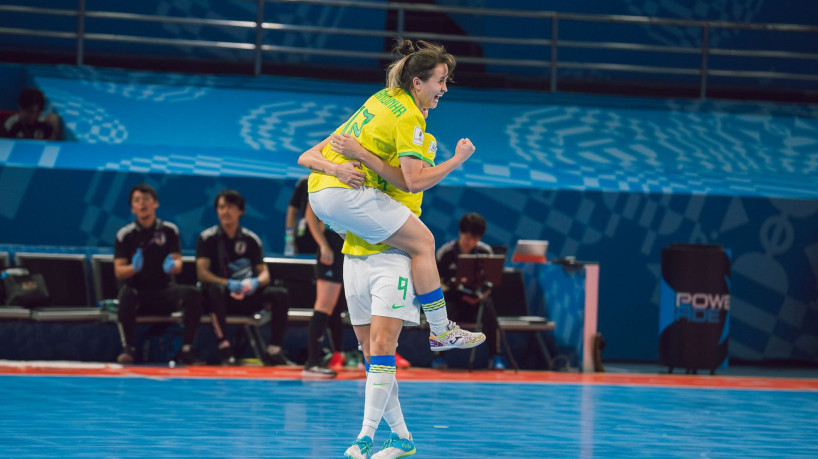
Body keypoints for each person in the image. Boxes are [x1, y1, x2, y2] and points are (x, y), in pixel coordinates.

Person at [299, 39, 484, 354]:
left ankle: (434, 334)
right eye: (441, 80)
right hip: (346, 196)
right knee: (423, 243)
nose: (445, 88)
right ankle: (441, 329)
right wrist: (457, 160)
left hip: (321, 193)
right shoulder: (409, 118)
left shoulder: (382, 98)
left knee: (373, 347)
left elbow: (306, 156)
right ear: (417, 83)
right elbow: (413, 182)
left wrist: (339, 166)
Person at [302, 122, 461, 457]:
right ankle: (402, 437)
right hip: (354, 256)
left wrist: (456, 159)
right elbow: (307, 159)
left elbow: (411, 180)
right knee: (369, 353)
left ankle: (365, 437)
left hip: (392, 258)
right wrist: (337, 167)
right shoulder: (364, 137)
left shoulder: (414, 145)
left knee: (383, 345)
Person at [196, 189, 294, 366]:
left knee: (281, 294)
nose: (225, 211)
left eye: (230, 207)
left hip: (246, 294)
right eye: (221, 207)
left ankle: (274, 350)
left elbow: (264, 274)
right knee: (213, 290)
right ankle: (224, 347)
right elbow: (202, 273)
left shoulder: (251, 239)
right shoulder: (207, 238)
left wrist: (255, 283)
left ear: (240, 211)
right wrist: (227, 283)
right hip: (221, 297)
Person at [113, 184, 202, 364]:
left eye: (146, 199)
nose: (142, 203)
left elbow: (178, 263)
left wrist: (172, 266)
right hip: (138, 293)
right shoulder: (125, 235)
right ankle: (128, 348)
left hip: (164, 291)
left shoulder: (169, 231)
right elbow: (119, 271)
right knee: (127, 295)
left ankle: (187, 348)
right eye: (137, 201)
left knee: (193, 294)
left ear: (155, 204)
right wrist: (133, 268)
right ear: (132, 208)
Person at [434, 212, 506, 370]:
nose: (471, 242)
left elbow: (490, 283)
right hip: (454, 301)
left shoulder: (486, 252)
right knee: (442, 311)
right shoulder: (445, 253)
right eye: (468, 238)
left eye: (475, 239)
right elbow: (438, 283)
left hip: (476, 302)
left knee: (489, 309)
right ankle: (439, 357)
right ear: (460, 233)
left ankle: (495, 356)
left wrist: (480, 296)